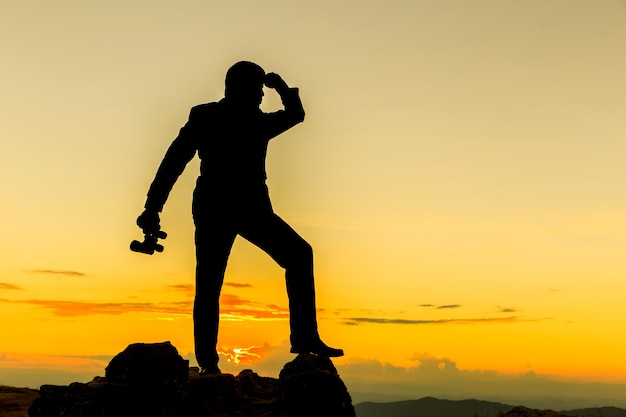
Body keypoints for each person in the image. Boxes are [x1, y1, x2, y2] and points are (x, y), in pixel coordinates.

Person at [136, 61, 343, 374]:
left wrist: (153, 207)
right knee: (212, 282)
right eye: (258, 88)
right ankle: (211, 362)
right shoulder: (226, 118)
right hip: (224, 209)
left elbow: (173, 161)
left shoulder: (222, 117)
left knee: (286, 259)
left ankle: (299, 339)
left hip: (233, 208)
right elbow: (174, 160)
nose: (262, 95)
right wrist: (282, 87)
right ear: (241, 88)